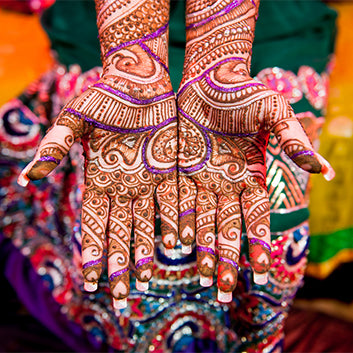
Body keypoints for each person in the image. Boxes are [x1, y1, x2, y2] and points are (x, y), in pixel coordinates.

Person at [0, 0, 337, 352]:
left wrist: (221, 59)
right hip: (104, 30)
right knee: (120, 241)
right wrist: (135, 66)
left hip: (270, 27)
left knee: (260, 234)